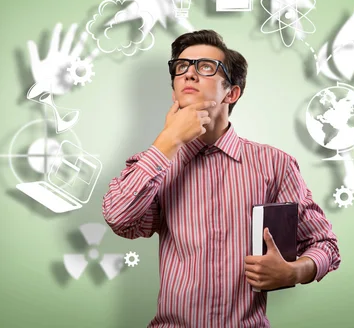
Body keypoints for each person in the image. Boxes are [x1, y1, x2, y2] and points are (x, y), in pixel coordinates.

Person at [102, 30, 341, 327]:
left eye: (205, 67)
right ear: (174, 91)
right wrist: (168, 141)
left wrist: (294, 272)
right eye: (181, 67)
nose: (189, 73)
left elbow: (325, 244)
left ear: (232, 93)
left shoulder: (275, 164)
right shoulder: (157, 165)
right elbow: (118, 219)